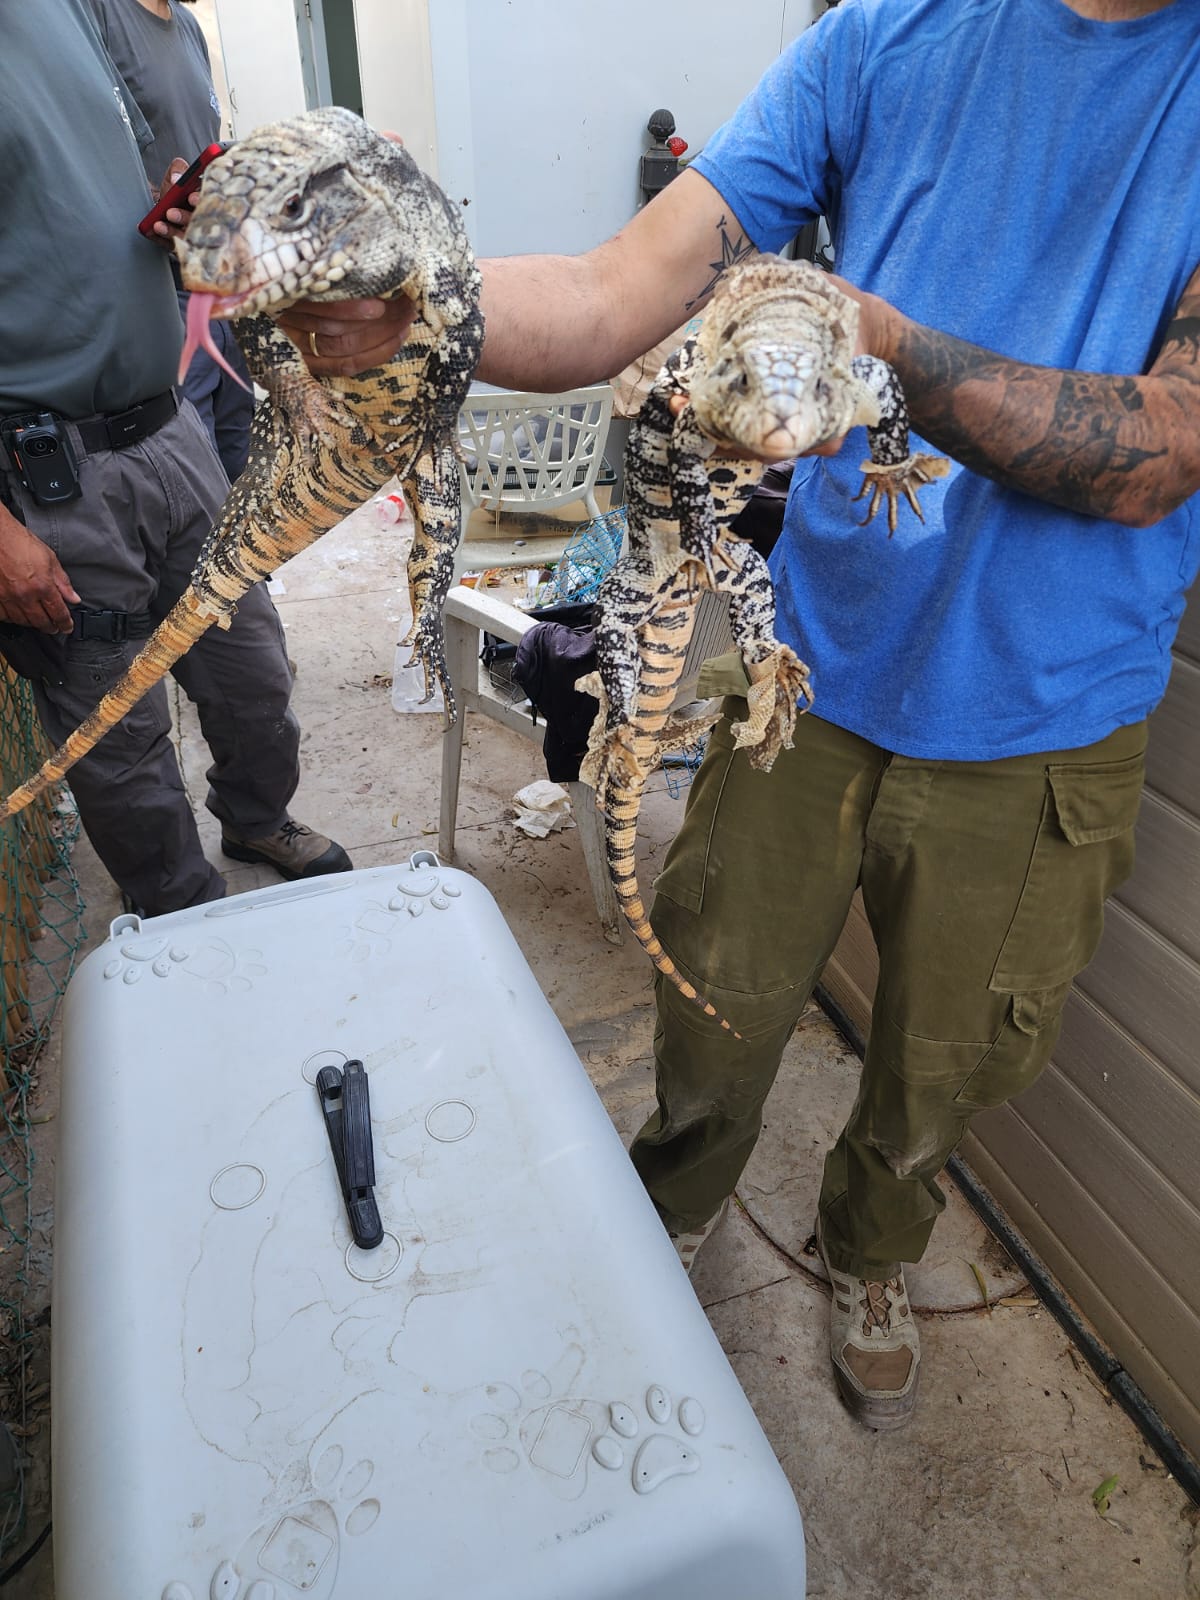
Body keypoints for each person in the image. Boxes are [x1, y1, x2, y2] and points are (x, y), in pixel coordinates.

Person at [287, 0, 1200, 1430]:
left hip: (1049, 709)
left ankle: (873, 1251)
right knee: (716, 980)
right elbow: (611, 292)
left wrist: (880, 346)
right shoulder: (884, 38)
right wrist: (425, 308)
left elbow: (1164, 450)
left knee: (949, 1059)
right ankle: (677, 1203)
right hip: (810, 666)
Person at [0, 0, 351, 918]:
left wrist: (169, 221)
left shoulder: (75, 15)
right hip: (52, 476)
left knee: (252, 669)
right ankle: (182, 914)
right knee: (119, 732)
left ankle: (255, 817)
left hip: (172, 428)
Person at [86, 0, 255, 484]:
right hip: (162, 293)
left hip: (220, 285)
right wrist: (156, 201)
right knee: (198, 473)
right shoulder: (97, 14)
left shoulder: (187, 25)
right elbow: (86, 156)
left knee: (240, 457)